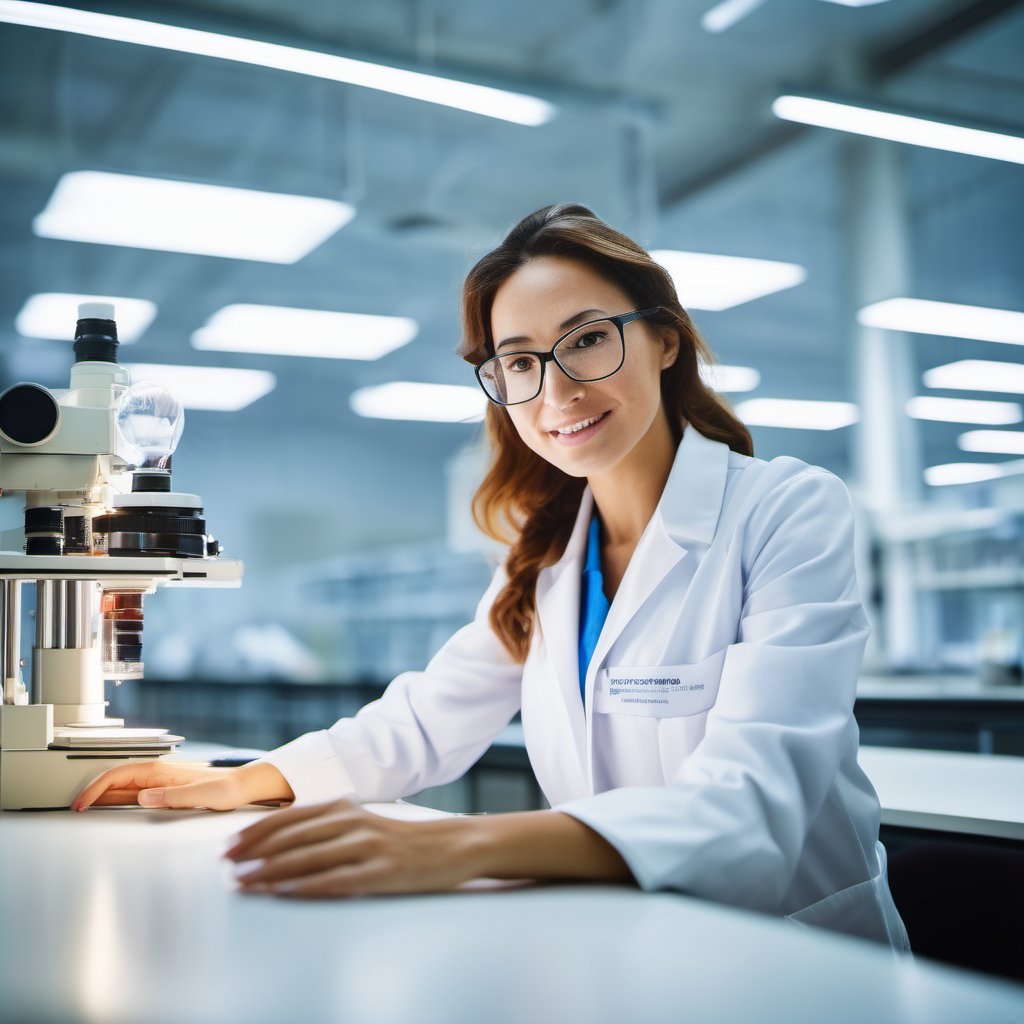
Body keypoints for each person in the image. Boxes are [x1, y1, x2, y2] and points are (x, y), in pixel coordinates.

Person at [73, 203, 909, 950]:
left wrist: (453, 845)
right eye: (519, 362)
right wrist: (246, 780)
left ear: (663, 339)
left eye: (587, 338)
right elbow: (424, 722)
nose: (558, 389)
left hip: (799, 960)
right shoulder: (544, 556)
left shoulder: (787, 510)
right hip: (631, 939)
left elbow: (750, 808)